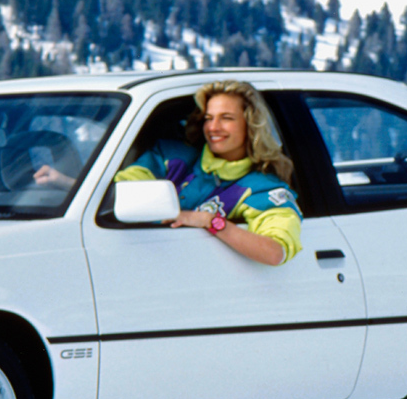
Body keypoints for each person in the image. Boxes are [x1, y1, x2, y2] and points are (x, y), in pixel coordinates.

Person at [114, 79, 302, 265]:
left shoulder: (262, 188)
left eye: (226, 118)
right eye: (209, 118)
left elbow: (275, 252)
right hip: (133, 259)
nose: (213, 127)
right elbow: (120, 190)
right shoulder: (170, 156)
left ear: (251, 123)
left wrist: (209, 221)